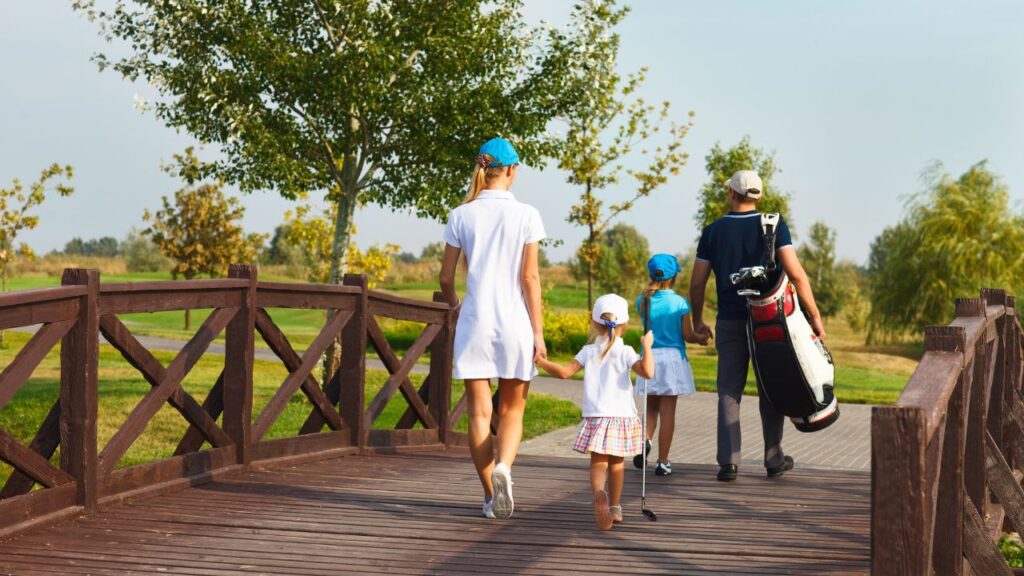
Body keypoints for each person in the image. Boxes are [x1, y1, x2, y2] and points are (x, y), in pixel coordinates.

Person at [689, 170, 825, 482]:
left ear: (731, 194)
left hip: (729, 320)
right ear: (758, 197)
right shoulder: (775, 225)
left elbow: (698, 283)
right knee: (770, 385)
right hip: (769, 320)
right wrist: (814, 314)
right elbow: (797, 274)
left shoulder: (712, 231)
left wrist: (698, 320)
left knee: (728, 388)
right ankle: (773, 457)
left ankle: (729, 463)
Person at [439, 138, 546, 520]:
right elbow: (530, 277)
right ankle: (506, 468)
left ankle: (489, 496)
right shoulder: (527, 215)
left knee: (479, 415)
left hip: (475, 323)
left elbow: (445, 276)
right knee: (512, 411)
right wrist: (538, 333)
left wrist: (455, 304)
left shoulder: (461, 215)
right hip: (515, 322)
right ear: (513, 171)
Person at [536, 294, 654, 531]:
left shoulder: (588, 350)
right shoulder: (626, 351)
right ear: (624, 325)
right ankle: (616, 507)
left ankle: (600, 494)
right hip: (621, 417)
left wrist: (541, 362)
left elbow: (564, 373)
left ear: (594, 323)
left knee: (598, 463)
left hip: (596, 417)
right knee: (617, 464)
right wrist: (647, 347)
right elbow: (648, 372)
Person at [632, 254, 708, 477]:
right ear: (674, 276)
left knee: (651, 408)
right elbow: (687, 335)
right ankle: (662, 462)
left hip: (650, 357)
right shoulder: (679, 303)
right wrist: (700, 337)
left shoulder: (643, 300)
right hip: (672, 360)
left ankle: (645, 441)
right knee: (668, 413)